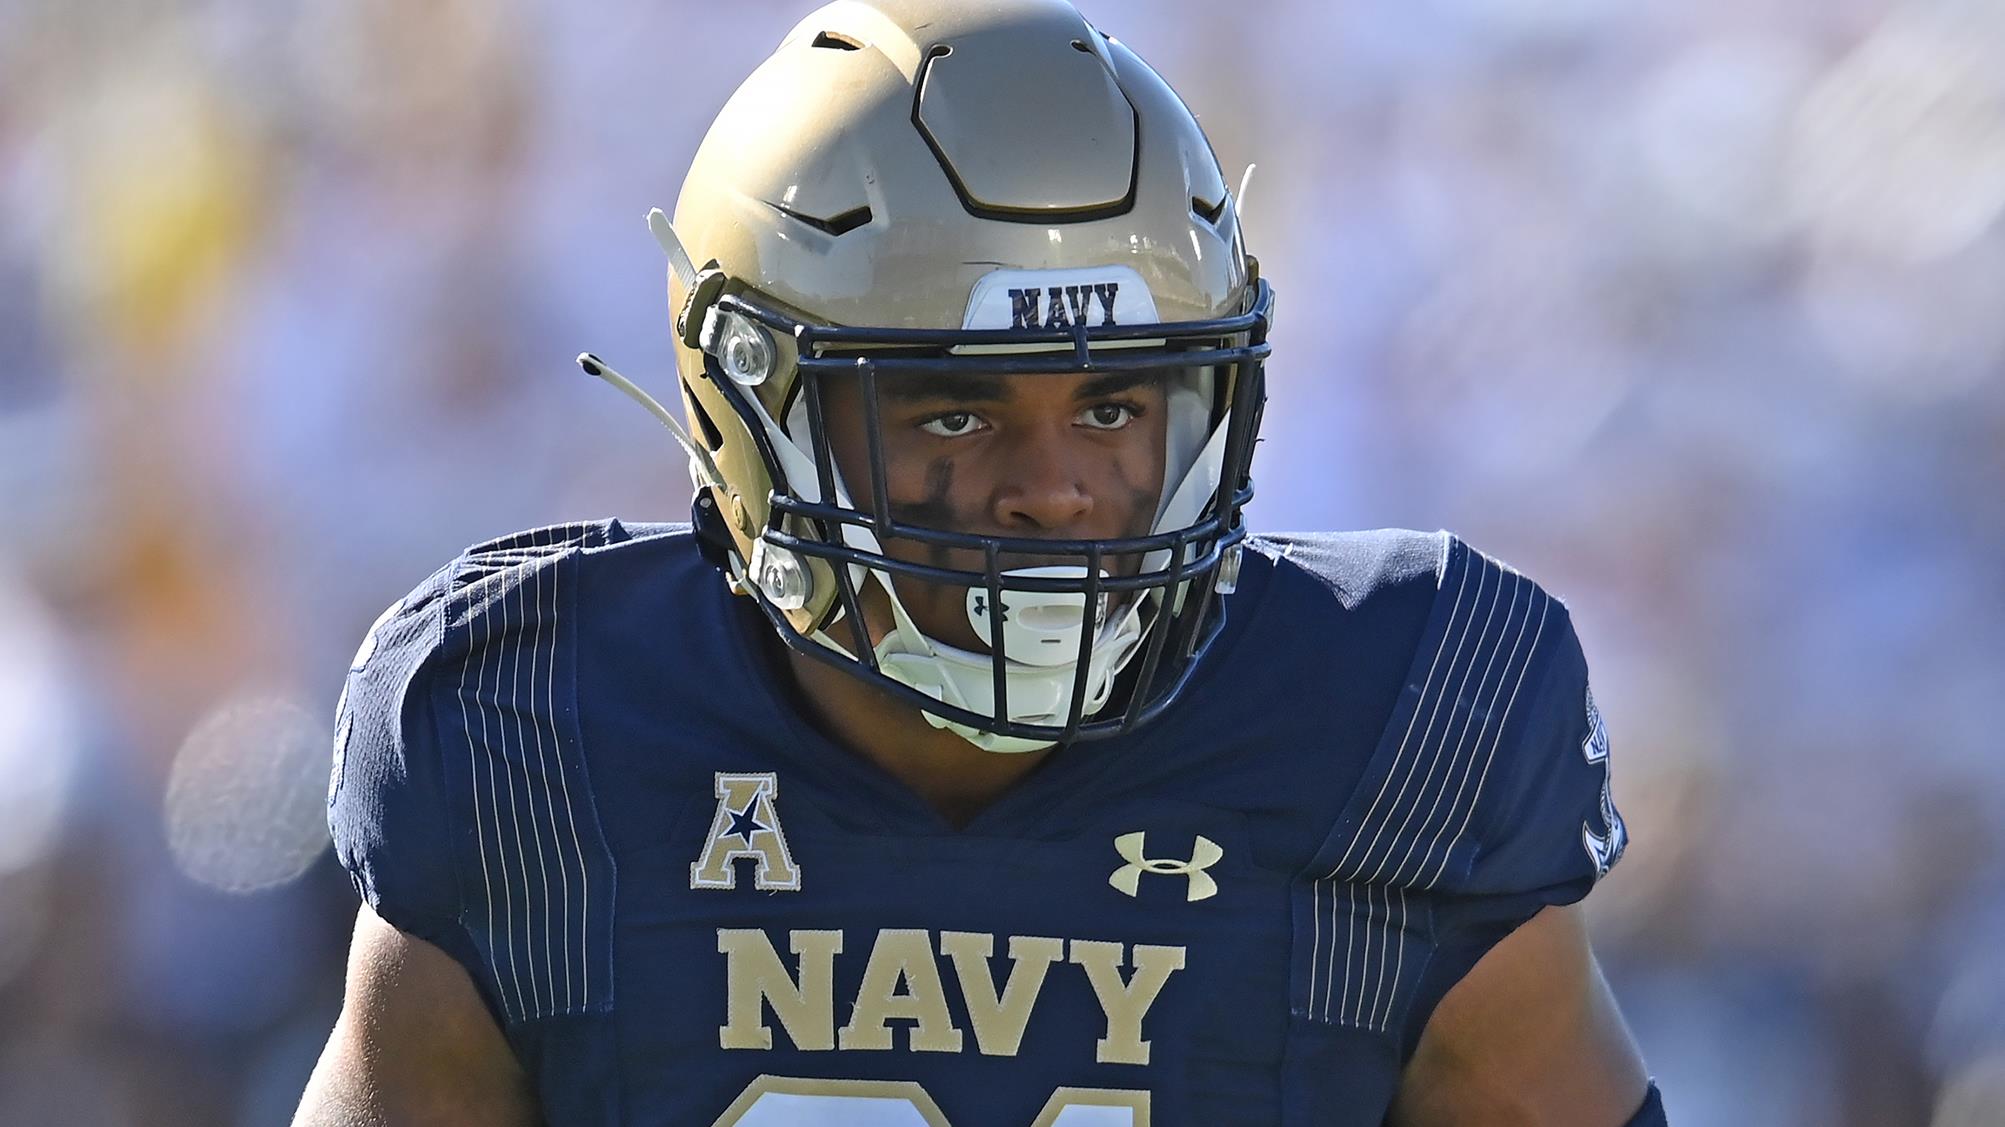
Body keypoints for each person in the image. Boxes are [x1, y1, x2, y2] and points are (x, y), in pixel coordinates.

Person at [294, 1, 1663, 1123]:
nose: (1054, 490)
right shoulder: (529, 734)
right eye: (954, 412)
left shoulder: (1404, 725)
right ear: (750, 408)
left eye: (1116, 407)